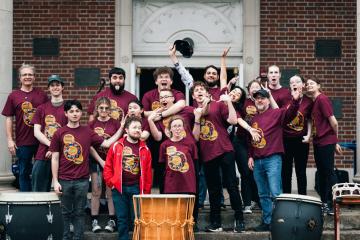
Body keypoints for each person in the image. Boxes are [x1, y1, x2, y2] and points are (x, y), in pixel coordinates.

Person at [50, 100, 123, 240]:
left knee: (79, 212)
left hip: (82, 180)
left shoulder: (87, 132)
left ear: (81, 113)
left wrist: (121, 128)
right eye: (71, 111)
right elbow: (55, 158)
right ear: (66, 113)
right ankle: (65, 237)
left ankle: (78, 237)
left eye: (77, 111)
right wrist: (55, 181)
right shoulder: (59, 133)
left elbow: (106, 143)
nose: (74, 114)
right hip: (64, 180)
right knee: (65, 213)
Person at [191, 81, 245, 233]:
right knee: (214, 190)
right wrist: (197, 116)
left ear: (208, 93)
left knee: (231, 186)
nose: (199, 92)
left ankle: (239, 218)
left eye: (202, 89)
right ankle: (216, 223)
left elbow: (234, 121)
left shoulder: (218, 105)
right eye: (196, 90)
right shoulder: (193, 111)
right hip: (208, 155)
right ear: (193, 96)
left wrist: (229, 103)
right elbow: (195, 138)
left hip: (225, 150)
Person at [248, 88, 300, 231]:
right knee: (263, 194)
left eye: (262, 98)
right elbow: (251, 140)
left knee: (275, 192)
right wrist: (250, 156)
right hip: (257, 161)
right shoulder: (253, 119)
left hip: (272, 159)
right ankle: (267, 222)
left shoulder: (276, 113)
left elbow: (290, 114)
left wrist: (295, 101)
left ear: (268, 100)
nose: (259, 100)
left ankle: (279, 223)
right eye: (257, 98)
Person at [103, 116, 152, 240]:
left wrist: (145, 191)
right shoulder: (116, 146)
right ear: (126, 130)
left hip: (137, 188)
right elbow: (108, 166)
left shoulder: (145, 149)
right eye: (134, 127)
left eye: (140, 128)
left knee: (137, 219)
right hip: (119, 188)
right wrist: (111, 183)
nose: (137, 130)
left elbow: (148, 173)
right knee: (122, 219)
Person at [2, 63, 48, 191]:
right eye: (24, 75)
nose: (27, 77)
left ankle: (42, 199)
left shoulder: (42, 95)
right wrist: (10, 139)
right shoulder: (13, 96)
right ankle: (26, 200)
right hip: (23, 141)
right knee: (23, 172)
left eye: (30, 74)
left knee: (41, 172)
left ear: (34, 77)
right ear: (20, 78)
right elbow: (9, 118)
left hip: (42, 140)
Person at [306, 77, 342, 215]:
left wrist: (335, 140)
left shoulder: (322, 99)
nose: (309, 85)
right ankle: (324, 202)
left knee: (328, 172)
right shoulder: (313, 101)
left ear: (318, 86)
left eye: (312, 83)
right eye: (307, 84)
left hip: (326, 141)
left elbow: (334, 122)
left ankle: (334, 204)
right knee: (321, 173)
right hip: (318, 142)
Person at [88, 97, 120, 233]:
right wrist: (101, 161)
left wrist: (111, 160)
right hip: (96, 160)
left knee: (110, 191)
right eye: (101, 108)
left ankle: (112, 219)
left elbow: (119, 142)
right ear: (97, 109)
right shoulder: (91, 124)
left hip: (112, 161)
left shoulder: (116, 124)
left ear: (110, 110)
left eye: (107, 108)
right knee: (96, 190)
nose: (104, 110)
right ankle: (94, 220)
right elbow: (88, 145)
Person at [31, 75, 67, 192]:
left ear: (62, 87)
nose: (55, 87)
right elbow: (36, 132)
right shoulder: (42, 108)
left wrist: (55, 149)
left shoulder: (69, 108)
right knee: (39, 188)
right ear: (49, 88)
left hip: (63, 153)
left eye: (57, 85)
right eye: (52, 85)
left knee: (64, 190)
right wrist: (51, 146)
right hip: (43, 152)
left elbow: (71, 131)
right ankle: (39, 210)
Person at [282, 75, 313, 195]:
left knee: (301, 171)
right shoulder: (285, 99)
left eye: (297, 81)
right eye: (292, 82)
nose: (294, 84)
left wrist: (309, 135)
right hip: (285, 140)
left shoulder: (308, 101)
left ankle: (302, 198)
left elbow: (310, 119)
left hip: (301, 140)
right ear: (290, 86)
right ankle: (286, 198)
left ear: (303, 85)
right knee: (286, 172)